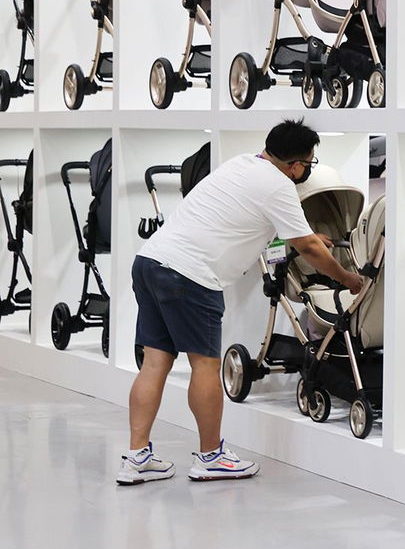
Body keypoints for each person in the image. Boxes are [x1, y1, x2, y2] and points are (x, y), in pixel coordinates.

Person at [116, 120, 365, 486]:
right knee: (204, 365)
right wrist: (349, 280)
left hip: (151, 261)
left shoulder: (241, 164)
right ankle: (210, 456)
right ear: (296, 165)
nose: (307, 170)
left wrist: (311, 237)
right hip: (191, 276)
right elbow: (307, 248)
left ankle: (137, 457)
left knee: (154, 363)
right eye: (308, 164)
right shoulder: (279, 186)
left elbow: (268, 233)